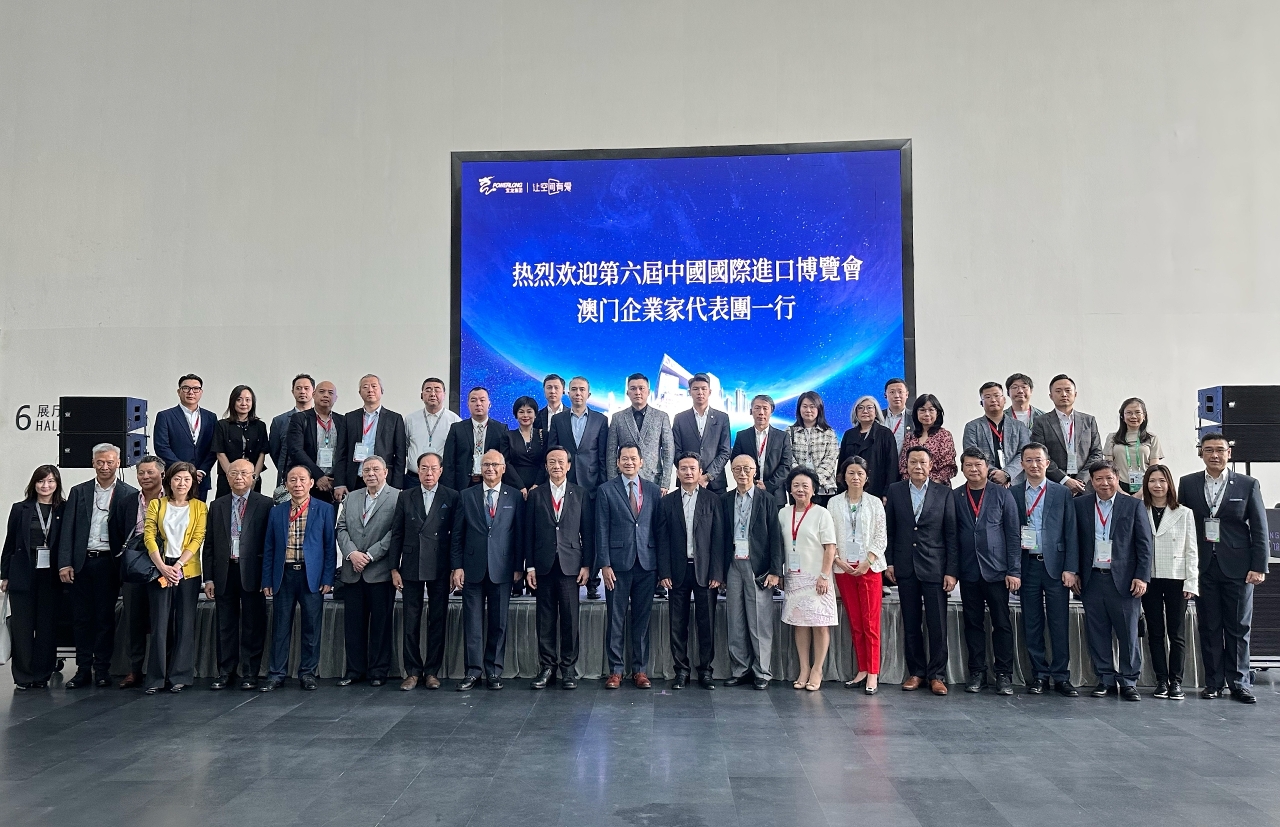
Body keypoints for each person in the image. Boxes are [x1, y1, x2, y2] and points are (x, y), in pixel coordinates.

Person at [1179, 433, 1269, 703]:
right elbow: (1182, 526)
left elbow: (1259, 528)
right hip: (1203, 566)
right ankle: (1213, 683)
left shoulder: (1247, 484)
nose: (1214, 455)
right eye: (1209, 450)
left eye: (1220, 450)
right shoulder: (1188, 483)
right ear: (1201, 453)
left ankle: (1239, 683)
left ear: (1229, 453)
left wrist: (1259, 566)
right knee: (1209, 627)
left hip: (1239, 568)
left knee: (1238, 627)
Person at [57, 443, 139, 689]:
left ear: (118, 463)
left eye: (110, 462)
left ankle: (102, 670)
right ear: (93, 463)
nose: (105, 466)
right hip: (81, 563)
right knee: (81, 618)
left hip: (109, 563)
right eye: (100, 462)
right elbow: (67, 530)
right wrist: (64, 563)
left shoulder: (129, 493)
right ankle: (82, 669)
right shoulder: (78, 491)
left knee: (105, 618)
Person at [1073, 461, 1152, 701]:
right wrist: (1074, 572)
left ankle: (1129, 681)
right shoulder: (1080, 505)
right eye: (1099, 479)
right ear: (1091, 481)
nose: (1104, 483)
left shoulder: (1133, 505)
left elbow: (1145, 545)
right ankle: (1105, 678)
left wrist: (1142, 576)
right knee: (1097, 632)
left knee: (1128, 633)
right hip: (1091, 579)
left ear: (1117, 479)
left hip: (1125, 581)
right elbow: (1074, 541)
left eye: (1109, 478)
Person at [884, 446, 958, 695]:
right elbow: (890, 530)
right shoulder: (895, 490)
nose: (917, 466)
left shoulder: (944, 493)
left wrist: (951, 571)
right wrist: (890, 562)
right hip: (905, 565)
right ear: (905, 465)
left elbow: (951, 534)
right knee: (911, 623)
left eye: (922, 462)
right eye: (913, 462)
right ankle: (916, 672)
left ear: (931, 465)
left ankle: (937, 675)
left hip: (935, 566)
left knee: (937, 624)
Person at [450, 449, 524, 690]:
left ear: (503, 468)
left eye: (494, 465)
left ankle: (493, 670)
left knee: (498, 623)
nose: (490, 469)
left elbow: (519, 535)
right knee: (472, 622)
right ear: (479, 469)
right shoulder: (466, 495)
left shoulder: (514, 496)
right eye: (485, 465)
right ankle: (473, 671)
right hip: (472, 568)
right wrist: (457, 566)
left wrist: (518, 567)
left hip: (502, 568)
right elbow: (457, 535)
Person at [260, 465, 336, 691]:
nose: (298, 484)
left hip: (311, 576)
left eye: (302, 479)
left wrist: (328, 578)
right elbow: (269, 547)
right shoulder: (277, 511)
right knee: (280, 627)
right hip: (283, 575)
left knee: (311, 627)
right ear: (286, 484)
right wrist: (267, 580)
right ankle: (276, 674)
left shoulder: (325, 509)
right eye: (292, 480)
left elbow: (329, 547)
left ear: (311, 483)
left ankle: (308, 673)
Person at [1012, 443, 1080, 696]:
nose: (1034, 465)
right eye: (1028, 460)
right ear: (1022, 464)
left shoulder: (1061, 493)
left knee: (1059, 623)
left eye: (1038, 460)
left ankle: (1061, 676)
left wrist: (1071, 568)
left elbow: (1071, 531)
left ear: (1047, 463)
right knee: (1032, 623)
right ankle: (1039, 674)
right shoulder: (1013, 493)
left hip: (1056, 567)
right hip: (1027, 565)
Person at [524, 446, 593, 689]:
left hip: (570, 565)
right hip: (543, 565)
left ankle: (568, 668)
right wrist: (530, 567)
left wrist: (587, 565)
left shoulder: (580, 493)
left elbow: (588, 532)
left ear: (569, 466)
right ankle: (547, 667)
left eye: (561, 461)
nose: (556, 466)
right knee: (545, 619)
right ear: (545, 466)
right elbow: (528, 533)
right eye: (552, 461)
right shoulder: (536, 495)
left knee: (570, 618)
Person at [953, 449, 1020, 695]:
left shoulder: (1002, 494)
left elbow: (1013, 534)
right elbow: (951, 536)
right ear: (962, 468)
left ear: (987, 466)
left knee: (1001, 623)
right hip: (968, 570)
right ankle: (977, 672)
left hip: (997, 571)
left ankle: (1004, 674)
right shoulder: (956, 495)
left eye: (978, 464)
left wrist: (1014, 570)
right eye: (968, 465)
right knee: (972, 624)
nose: (973, 469)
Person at [389, 452, 457, 691]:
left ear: (441, 471)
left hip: (440, 565)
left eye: (433, 468)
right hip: (410, 563)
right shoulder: (405, 496)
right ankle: (412, 671)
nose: (429, 473)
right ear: (417, 471)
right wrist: (394, 568)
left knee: (437, 619)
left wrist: (454, 568)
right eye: (424, 468)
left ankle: (432, 671)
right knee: (411, 619)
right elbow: (397, 533)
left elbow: (456, 536)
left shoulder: (452, 496)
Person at [202, 458, 272, 690]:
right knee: (225, 624)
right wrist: (208, 578)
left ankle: (250, 672)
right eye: (233, 473)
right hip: (225, 571)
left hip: (253, 572)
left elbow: (269, 544)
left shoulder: (265, 504)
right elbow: (209, 545)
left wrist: (267, 577)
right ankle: (225, 671)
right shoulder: (217, 505)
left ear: (254, 477)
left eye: (244, 473)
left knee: (253, 624)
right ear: (227, 477)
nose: (238, 477)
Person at [657, 453, 725, 690]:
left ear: (700, 472)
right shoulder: (667, 502)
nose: (688, 472)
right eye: (683, 468)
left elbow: (718, 538)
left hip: (705, 571)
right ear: (677, 472)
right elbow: (662, 539)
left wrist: (717, 573)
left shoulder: (712, 500)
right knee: (677, 623)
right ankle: (681, 671)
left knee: (707, 623)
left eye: (692, 468)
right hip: (677, 571)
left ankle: (705, 670)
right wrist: (664, 572)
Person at [596, 443, 661, 688]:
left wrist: (660, 567)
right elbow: (601, 528)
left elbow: (658, 529)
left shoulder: (653, 490)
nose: (629, 462)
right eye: (624, 458)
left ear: (641, 462)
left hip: (646, 564)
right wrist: (604, 564)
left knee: (642, 620)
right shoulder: (606, 490)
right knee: (616, 619)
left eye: (633, 458)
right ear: (617, 462)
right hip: (617, 566)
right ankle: (615, 671)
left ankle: (640, 670)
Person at [141, 461, 206, 694]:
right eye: (177, 478)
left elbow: (197, 538)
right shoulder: (157, 504)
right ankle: (156, 678)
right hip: (159, 568)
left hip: (187, 570)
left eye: (187, 479)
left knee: (185, 624)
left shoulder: (199, 507)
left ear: (193, 483)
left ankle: (180, 675)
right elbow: (149, 535)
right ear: (168, 480)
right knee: (159, 624)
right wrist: (162, 566)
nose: (182, 483)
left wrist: (177, 566)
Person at [336, 455, 400, 687]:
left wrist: (370, 555)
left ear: (385, 472)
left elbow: (395, 532)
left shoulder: (398, 497)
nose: (371, 474)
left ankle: (378, 671)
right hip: (353, 571)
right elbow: (341, 528)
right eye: (366, 470)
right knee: (353, 625)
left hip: (380, 571)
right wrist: (352, 553)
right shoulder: (352, 497)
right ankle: (354, 670)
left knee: (381, 625)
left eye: (375, 469)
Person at [721, 454, 783, 690]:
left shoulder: (767, 499)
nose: (743, 473)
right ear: (732, 472)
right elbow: (719, 537)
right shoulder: (725, 499)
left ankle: (762, 671)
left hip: (758, 567)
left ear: (755, 471)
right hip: (732, 564)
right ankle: (740, 669)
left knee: (759, 621)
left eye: (747, 468)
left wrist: (775, 570)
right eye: (738, 469)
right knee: (735, 620)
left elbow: (776, 537)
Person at [1, 466, 65, 689]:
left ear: (57, 484)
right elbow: (9, 543)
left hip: (51, 576)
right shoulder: (20, 509)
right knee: (22, 627)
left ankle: (42, 674)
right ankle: (23, 676)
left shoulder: (64, 509)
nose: (45, 486)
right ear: (34, 484)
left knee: (47, 626)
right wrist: (5, 575)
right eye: (41, 481)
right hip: (23, 573)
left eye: (50, 481)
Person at [548, 376, 609, 599]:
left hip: (591, 486)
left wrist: (603, 486)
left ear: (588, 394)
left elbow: (602, 456)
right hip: (565, 484)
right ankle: (567, 577)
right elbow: (552, 450)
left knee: (591, 534)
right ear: (568, 393)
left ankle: (593, 581)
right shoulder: (558, 419)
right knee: (566, 532)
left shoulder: (601, 420)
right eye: (573, 389)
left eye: (582, 390)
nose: (577, 393)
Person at [830, 457, 887, 695]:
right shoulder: (833, 503)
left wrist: (868, 562)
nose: (855, 477)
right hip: (844, 568)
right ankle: (862, 669)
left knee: (870, 623)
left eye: (860, 473)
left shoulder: (875, 503)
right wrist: (837, 560)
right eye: (851, 473)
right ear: (843, 476)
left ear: (866, 477)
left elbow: (881, 536)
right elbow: (829, 535)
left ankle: (873, 672)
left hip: (869, 568)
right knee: (855, 622)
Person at [1141, 465, 1198, 700]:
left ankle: (1176, 681)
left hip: (1176, 577)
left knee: (1176, 633)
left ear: (1169, 484)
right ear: (1146, 485)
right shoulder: (1140, 509)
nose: (1157, 485)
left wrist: (1191, 582)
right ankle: (1161, 680)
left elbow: (1191, 549)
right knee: (1155, 632)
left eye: (1162, 481)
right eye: (1152, 481)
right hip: (1149, 578)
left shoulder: (1184, 512)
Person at [779, 468, 837, 691]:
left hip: (817, 578)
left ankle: (817, 669)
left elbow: (830, 548)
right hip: (794, 578)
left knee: (820, 625)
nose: (800, 489)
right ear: (790, 489)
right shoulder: (783, 513)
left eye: (805, 486)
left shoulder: (822, 513)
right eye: (796, 485)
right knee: (800, 624)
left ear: (814, 490)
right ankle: (803, 668)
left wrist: (824, 575)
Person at [118, 455, 164, 689]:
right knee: (133, 619)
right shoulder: (127, 501)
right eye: (141, 473)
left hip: (164, 564)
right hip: (135, 564)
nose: (145, 477)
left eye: (150, 472)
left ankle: (161, 670)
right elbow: (117, 532)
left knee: (161, 620)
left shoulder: (173, 498)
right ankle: (133, 669)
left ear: (162, 474)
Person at [1030, 374, 1105, 496]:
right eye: (1058, 391)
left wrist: (1081, 480)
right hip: (1055, 484)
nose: (1064, 394)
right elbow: (1040, 455)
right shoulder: (1041, 422)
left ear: (1075, 394)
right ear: (1051, 396)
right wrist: (1065, 480)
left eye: (1068, 390)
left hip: (1085, 486)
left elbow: (1097, 453)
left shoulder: (1088, 420)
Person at [606, 373, 674, 493]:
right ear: (627, 393)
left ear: (648, 391)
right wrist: (612, 481)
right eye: (633, 388)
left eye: (641, 388)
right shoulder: (617, 418)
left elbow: (668, 451)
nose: (637, 392)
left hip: (653, 479)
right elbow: (611, 451)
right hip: (623, 479)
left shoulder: (661, 417)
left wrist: (665, 482)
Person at [153, 374, 218, 499]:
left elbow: (214, 447)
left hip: (200, 480)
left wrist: (202, 471)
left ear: (201, 392)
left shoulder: (211, 417)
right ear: (179, 391)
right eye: (186, 388)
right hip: (175, 479)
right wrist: (184, 471)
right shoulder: (165, 416)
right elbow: (161, 447)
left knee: (199, 511)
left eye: (196, 389)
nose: (191, 392)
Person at [287, 379, 350, 505]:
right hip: (308, 481)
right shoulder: (300, 418)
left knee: (329, 517)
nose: (326, 395)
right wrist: (318, 476)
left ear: (336, 398)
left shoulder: (342, 420)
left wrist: (339, 481)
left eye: (330, 393)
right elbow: (296, 450)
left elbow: (345, 453)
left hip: (332, 484)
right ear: (314, 394)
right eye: (322, 391)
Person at [343, 374, 407, 494]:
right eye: (365, 387)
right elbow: (342, 452)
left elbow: (400, 455)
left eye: (374, 386)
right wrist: (340, 483)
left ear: (381, 391)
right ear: (359, 392)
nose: (370, 390)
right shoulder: (349, 418)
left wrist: (397, 485)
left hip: (384, 480)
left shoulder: (394, 419)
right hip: (355, 478)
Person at [443, 386, 512, 492]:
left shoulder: (501, 429)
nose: (478, 404)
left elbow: (505, 460)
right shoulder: (457, 428)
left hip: (491, 483)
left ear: (489, 404)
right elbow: (449, 461)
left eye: (482, 400)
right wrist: (449, 490)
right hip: (463, 484)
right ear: (468, 405)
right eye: (473, 400)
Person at [672, 373, 732, 494]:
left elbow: (725, 451)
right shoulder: (680, 418)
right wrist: (690, 473)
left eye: (704, 388)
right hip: (687, 482)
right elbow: (676, 450)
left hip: (715, 483)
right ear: (690, 392)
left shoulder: (722, 418)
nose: (700, 392)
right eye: (695, 389)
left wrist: (707, 476)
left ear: (710, 392)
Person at [730, 394, 794, 506]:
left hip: (775, 494)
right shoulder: (742, 436)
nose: (761, 412)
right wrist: (751, 483)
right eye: (757, 408)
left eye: (765, 408)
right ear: (751, 411)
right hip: (747, 491)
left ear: (771, 411)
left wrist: (768, 485)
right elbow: (735, 461)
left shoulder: (782, 436)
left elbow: (786, 465)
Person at [962, 382, 1031, 485]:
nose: (993, 400)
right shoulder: (972, 427)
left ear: (1004, 399)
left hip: (1015, 482)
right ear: (981, 403)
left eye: (996, 395)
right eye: (987, 397)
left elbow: (1024, 453)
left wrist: (1007, 474)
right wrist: (994, 474)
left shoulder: (1019, 426)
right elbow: (972, 455)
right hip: (984, 483)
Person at [212, 385, 269, 499]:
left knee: (252, 507)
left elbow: (262, 453)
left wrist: (254, 477)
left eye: (248, 400)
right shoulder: (222, 425)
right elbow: (220, 453)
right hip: (227, 478)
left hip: (252, 478)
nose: (244, 403)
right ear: (233, 401)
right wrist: (232, 476)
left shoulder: (260, 426)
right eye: (239, 399)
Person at [404, 377, 461, 489]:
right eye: (428, 390)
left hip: (442, 479)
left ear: (444, 395)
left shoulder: (455, 421)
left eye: (437, 390)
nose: (433, 394)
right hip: (413, 479)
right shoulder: (410, 419)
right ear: (422, 395)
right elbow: (405, 447)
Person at [837, 395, 899, 498]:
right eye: (860, 408)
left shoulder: (885, 434)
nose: (865, 411)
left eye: (869, 408)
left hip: (877, 489)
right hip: (851, 489)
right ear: (855, 412)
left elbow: (892, 466)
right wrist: (840, 488)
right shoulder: (849, 434)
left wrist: (887, 493)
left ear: (876, 411)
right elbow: (841, 465)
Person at [787, 390, 840, 506]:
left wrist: (814, 482)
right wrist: (802, 481)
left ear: (819, 409)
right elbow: (788, 458)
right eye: (804, 406)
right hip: (799, 490)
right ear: (799, 409)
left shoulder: (829, 432)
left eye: (812, 406)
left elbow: (830, 459)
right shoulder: (789, 432)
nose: (808, 410)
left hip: (824, 489)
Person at [1104, 397, 1165, 495]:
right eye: (1129, 413)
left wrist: (1141, 492)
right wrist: (1119, 491)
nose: (1133, 416)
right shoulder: (1112, 437)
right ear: (1122, 416)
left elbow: (1154, 469)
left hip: (1145, 487)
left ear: (1144, 416)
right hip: (1118, 486)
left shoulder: (1152, 438)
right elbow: (1108, 468)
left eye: (1137, 412)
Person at [268, 374, 314, 495]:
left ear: (313, 391)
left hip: (316, 478)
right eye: (298, 388)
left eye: (306, 388)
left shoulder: (321, 419)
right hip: (288, 478)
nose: (302, 391)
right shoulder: (280, 421)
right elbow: (275, 452)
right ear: (292, 391)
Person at [897, 394, 957, 484]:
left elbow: (948, 467)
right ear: (916, 413)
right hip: (912, 487)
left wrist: (930, 485)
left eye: (931, 410)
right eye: (922, 410)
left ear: (937, 413)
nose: (927, 414)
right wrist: (914, 484)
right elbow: (903, 466)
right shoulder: (910, 436)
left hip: (937, 487)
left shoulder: (944, 435)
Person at [505, 396, 548, 496]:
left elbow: (545, 462)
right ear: (516, 415)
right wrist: (520, 487)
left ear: (535, 414)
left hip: (540, 487)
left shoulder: (544, 435)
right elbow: (506, 463)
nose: (525, 415)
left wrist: (537, 485)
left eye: (529, 411)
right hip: (514, 487)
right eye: (521, 412)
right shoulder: (508, 436)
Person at [881, 377, 912, 455]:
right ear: (885, 395)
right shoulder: (877, 417)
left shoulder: (914, 417)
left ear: (907, 394)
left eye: (900, 392)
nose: (896, 396)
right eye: (892, 392)